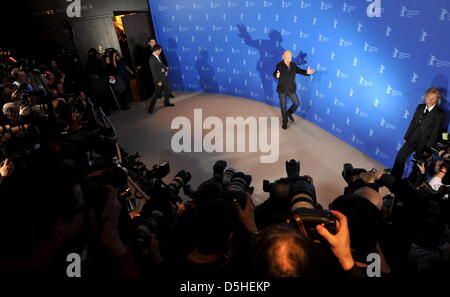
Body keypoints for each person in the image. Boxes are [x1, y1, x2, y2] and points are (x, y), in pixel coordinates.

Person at [391, 88, 445, 178]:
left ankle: (411, 185)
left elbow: (436, 132)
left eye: (433, 98)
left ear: (437, 99)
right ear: (425, 97)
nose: (430, 100)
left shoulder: (439, 113)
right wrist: (407, 136)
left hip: (424, 144)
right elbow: (413, 122)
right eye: (428, 97)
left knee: (417, 167)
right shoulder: (420, 107)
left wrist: (428, 149)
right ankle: (394, 179)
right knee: (400, 158)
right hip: (412, 139)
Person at [273, 50, 315, 129]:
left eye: (291, 56)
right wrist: (277, 75)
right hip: (282, 89)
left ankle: (289, 113)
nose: (290, 58)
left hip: (291, 88)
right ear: (283, 57)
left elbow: (300, 71)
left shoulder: (293, 65)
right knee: (283, 106)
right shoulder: (279, 65)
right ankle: (285, 121)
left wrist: (307, 72)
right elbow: (275, 73)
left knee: (296, 103)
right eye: (288, 57)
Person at [148, 45, 174, 114]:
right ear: (156, 50)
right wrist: (158, 81)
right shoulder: (151, 59)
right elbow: (153, 71)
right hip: (158, 79)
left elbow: (161, 67)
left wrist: (165, 72)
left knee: (166, 90)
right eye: (160, 50)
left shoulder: (158, 56)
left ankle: (167, 102)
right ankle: (151, 107)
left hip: (162, 76)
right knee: (156, 93)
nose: (160, 51)